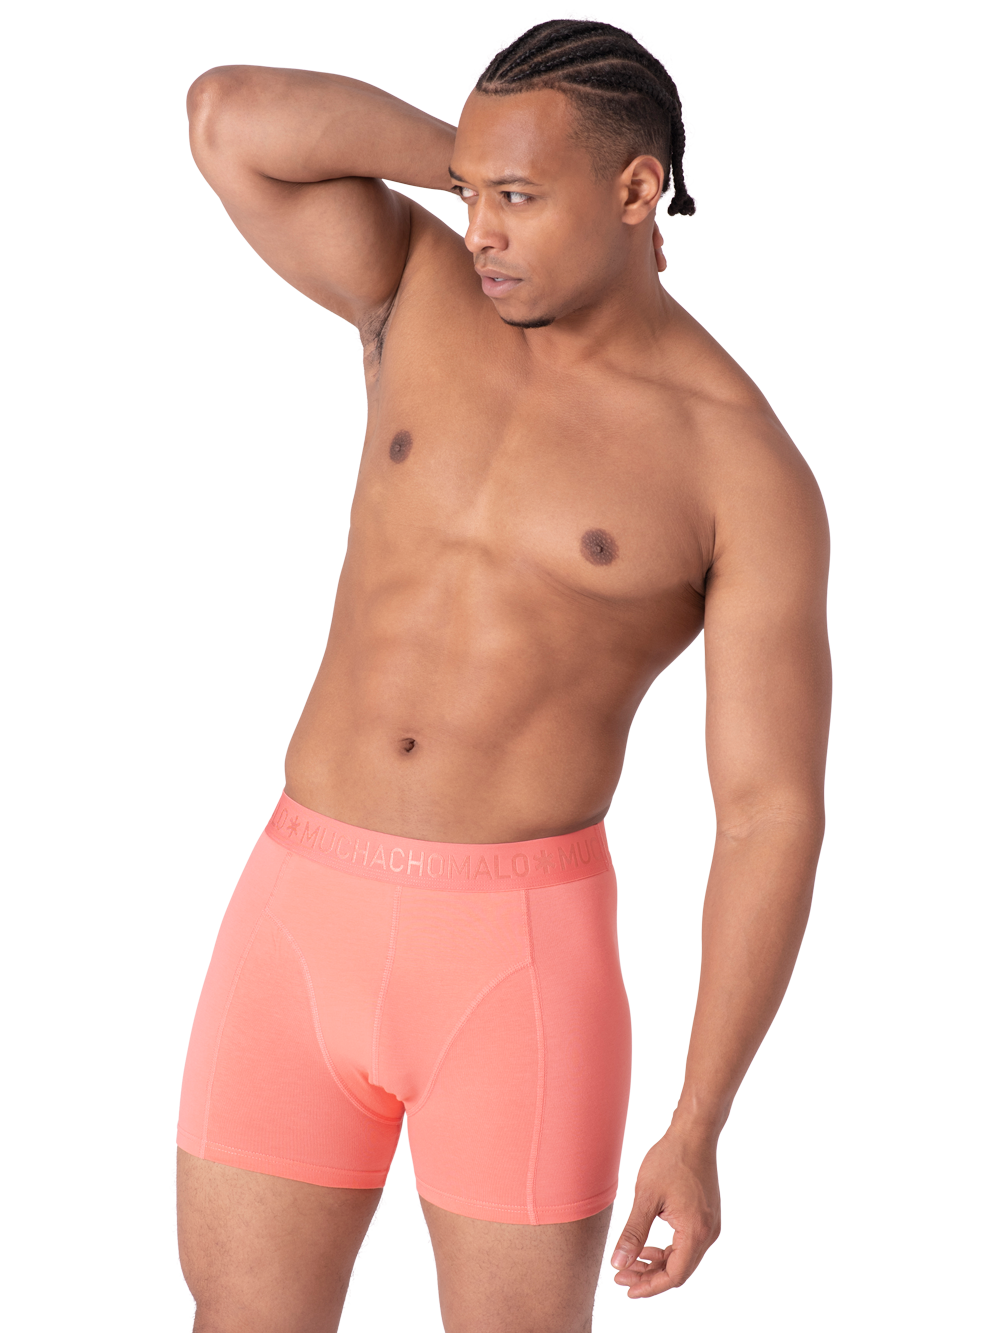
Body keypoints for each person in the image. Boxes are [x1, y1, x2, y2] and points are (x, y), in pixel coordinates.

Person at [177, 19, 831, 1333]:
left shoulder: (736, 465)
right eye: (471, 194)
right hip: (297, 912)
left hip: (515, 966)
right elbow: (226, 117)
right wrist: (479, 164)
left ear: (638, 191)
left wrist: (699, 1124)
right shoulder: (419, 286)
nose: (480, 230)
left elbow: (768, 813)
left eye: (520, 200)